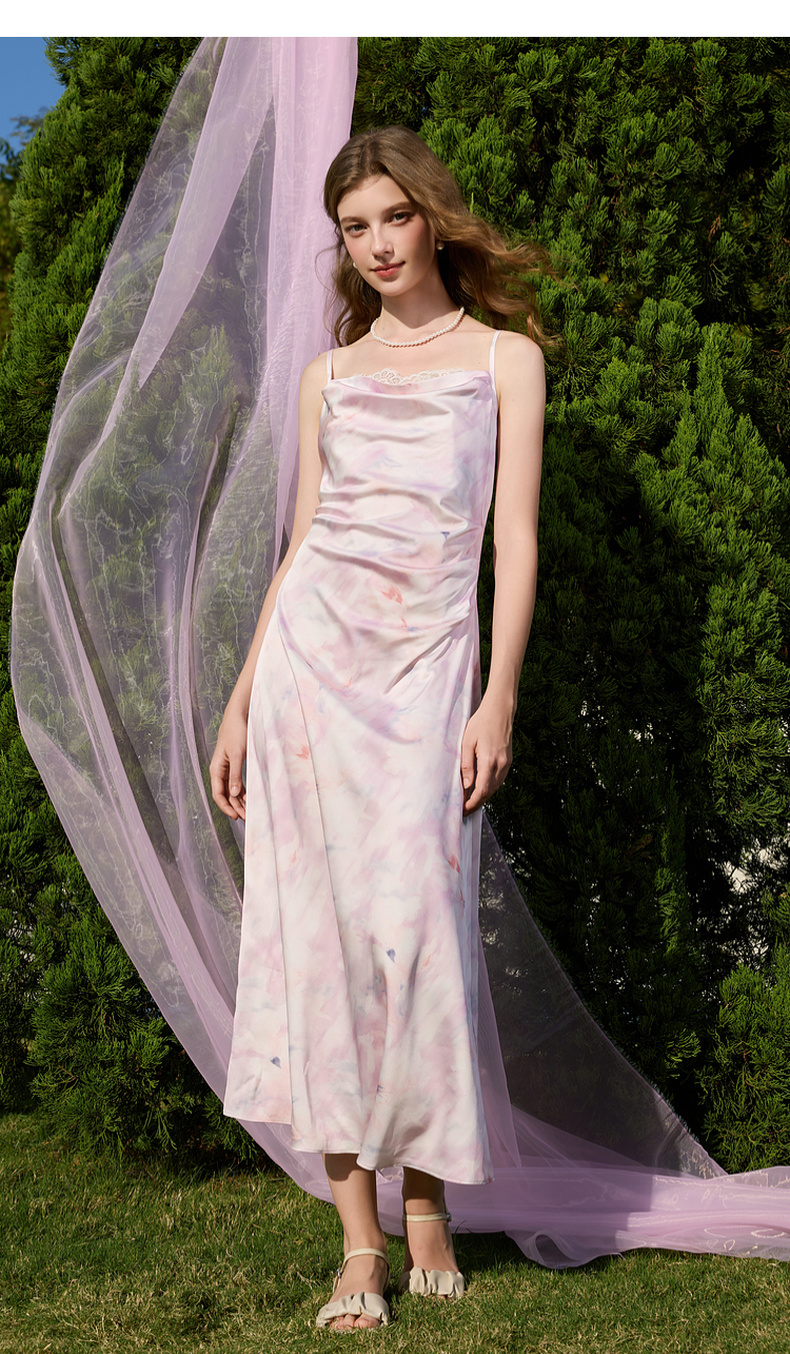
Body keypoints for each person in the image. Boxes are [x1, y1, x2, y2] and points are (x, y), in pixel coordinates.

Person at [208, 125, 547, 1331]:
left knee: (418, 935)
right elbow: (302, 542)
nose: (378, 244)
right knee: (320, 947)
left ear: (433, 218)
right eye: (355, 228)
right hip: (309, 673)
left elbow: (515, 540)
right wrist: (242, 696)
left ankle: (428, 1204)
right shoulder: (328, 376)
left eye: (394, 217)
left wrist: (497, 694)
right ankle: (359, 1239)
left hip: (427, 676)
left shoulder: (505, 360)